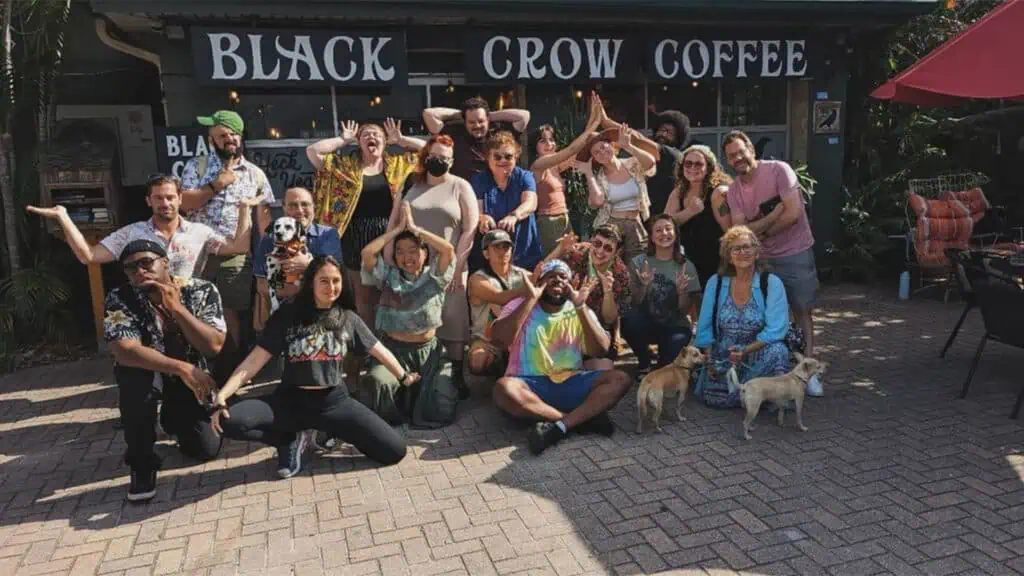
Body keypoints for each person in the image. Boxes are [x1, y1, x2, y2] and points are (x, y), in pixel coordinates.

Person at [210, 255, 409, 478]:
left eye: (336, 280)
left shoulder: (348, 318)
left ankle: (328, 432)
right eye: (324, 280)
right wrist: (223, 395)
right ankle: (289, 439)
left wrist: (404, 376)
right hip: (290, 401)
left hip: (334, 403)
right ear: (311, 282)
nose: (331, 287)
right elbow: (254, 361)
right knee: (230, 422)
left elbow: (377, 349)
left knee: (395, 451)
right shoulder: (288, 315)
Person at [103, 240, 226, 502]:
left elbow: (213, 346)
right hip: (155, 375)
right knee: (133, 376)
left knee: (206, 448)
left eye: (146, 263)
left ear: (165, 263)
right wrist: (181, 368)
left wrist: (177, 309)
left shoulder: (200, 290)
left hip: (193, 381)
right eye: (131, 268)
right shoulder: (120, 298)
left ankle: (172, 418)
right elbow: (124, 349)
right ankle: (142, 463)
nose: (139, 271)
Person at [490, 259, 632, 455]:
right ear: (539, 281)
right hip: (530, 386)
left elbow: (600, 350)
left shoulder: (578, 308)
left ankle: (558, 426)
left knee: (619, 379)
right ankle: (575, 421)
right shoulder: (520, 304)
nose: (557, 280)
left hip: (570, 382)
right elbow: (498, 340)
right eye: (551, 275)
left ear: (570, 284)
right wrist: (530, 299)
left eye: (563, 276)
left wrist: (581, 307)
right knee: (504, 388)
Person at [722, 130, 822, 396]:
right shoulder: (733, 191)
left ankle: (808, 373)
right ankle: (776, 370)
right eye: (731, 156)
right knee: (768, 317)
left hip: (795, 252)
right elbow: (741, 229)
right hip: (761, 259)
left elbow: (793, 213)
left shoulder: (780, 171)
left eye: (740, 152)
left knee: (802, 311)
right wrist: (770, 218)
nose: (738, 158)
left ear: (751, 150)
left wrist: (759, 229)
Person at [306, 118, 423, 328]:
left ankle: (393, 340)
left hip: (390, 235)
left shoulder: (398, 164)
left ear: (385, 142)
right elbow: (313, 151)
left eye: (377, 134)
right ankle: (368, 347)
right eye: (366, 134)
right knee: (364, 299)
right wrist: (342, 140)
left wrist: (402, 139)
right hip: (355, 235)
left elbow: (429, 151)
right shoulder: (346, 165)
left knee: (393, 293)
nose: (371, 137)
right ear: (358, 142)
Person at [385, 135, 479, 396]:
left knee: (452, 320)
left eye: (445, 157)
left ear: (452, 161)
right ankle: (421, 376)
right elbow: (394, 223)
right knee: (418, 321)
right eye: (435, 155)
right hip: (412, 268)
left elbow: (470, 230)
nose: (439, 160)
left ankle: (456, 376)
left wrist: (458, 268)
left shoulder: (461, 187)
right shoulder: (410, 185)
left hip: (448, 265)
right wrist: (388, 255)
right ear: (426, 156)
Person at [180, 110, 276, 354]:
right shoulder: (197, 166)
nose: (226, 140)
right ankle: (204, 361)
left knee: (233, 312)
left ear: (239, 137)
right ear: (212, 140)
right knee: (196, 308)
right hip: (198, 252)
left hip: (236, 254)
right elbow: (183, 204)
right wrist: (216, 184)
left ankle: (232, 362)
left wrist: (265, 258)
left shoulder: (255, 174)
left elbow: (263, 220)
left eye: (230, 134)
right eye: (219, 136)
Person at [357, 202, 460, 429]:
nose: (407, 256)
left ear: (425, 253)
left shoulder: (435, 277)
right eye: (400, 251)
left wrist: (415, 229)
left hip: (429, 353)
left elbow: (448, 251)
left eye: (413, 250)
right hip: (392, 351)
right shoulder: (387, 276)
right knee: (378, 383)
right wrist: (396, 230)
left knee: (443, 407)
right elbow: (367, 253)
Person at [27, 174, 256, 276]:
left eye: (170, 197)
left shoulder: (200, 232)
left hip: (190, 309)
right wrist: (63, 217)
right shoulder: (133, 233)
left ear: (179, 199)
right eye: (158, 198)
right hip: (148, 311)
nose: (164, 203)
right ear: (149, 201)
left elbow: (239, 247)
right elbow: (89, 256)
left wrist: (245, 209)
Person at [693, 226, 791, 409]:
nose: (742, 252)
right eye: (736, 249)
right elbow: (704, 326)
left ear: (756, 252)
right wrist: (710, 359)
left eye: (747, 247)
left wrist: (745, 351)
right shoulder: (716, 282)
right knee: (715, 401)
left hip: (756, 352)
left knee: (778, 351)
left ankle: (759, 393)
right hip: (724, 356)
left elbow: (776, 329)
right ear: (728, 256)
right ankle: (755, 396)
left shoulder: (770, 283)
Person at [539, 225, 632, 370]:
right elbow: (541, 274)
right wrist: (560, 248)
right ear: (591, 240)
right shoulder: (576, 253)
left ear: (616, 252)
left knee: (603, 369)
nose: (600, 251)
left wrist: (608, 291)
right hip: (564, 321)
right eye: (597, 244)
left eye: (608, 248)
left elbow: (609, 319)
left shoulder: (620, 274)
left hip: (596, 329)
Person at [622, 214, 701, 376]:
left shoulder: (687, 266)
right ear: (651, 236)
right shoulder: (638, 262)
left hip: (674, 325)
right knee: (629, 320)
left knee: (668, 361)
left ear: (676, 233)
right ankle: (643, 362)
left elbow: (684, 310)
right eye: (658, 230)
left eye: (668, 229)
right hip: (646, 321)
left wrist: (681, 292)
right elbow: (634, 302)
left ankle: (661, 364)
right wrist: (643, 286)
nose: (664, 234)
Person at [252, 187, 343, 326]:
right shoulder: (270, 239)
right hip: (281, 314)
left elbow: (335, 280)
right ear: (284, 208)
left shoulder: (328, 235)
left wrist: (308, 265)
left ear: (314, 206)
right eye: (293, 205)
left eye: (305, 204)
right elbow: (262, 286)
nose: (299, 211)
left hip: (320, 314)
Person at [528, 92, 603, 253]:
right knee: (554, 264)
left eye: (551, 139)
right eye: (543, 141)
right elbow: (571, 149)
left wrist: (595, 117)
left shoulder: (554, 166)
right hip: (548, 222)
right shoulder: (538, 165)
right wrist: (595, 123)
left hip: (564, 218)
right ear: (534, 146)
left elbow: (580, 149)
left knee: (571, 262)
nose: (549, 144)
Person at [573, 123, 656, 262]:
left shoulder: (632, 164)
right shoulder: (599, 177)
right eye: (596, 152)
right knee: (612, 267)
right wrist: (589, 174)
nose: (602, 153)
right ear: (594, 158)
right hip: (611, 226)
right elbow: (597, 202)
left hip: (636, 223)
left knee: (638, 266)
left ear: (612, 146)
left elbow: (651, 162)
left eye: (603, 147)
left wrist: (628, 146)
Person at [472, 130, 543, 270]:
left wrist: (514, 216)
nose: (503, 160)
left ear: (516, 157)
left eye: (508, 156)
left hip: (525, 252)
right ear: (488, 158)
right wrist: (482, 217)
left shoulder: (525, 177)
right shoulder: (479, 180)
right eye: (497, 157)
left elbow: (531, 202)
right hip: (491, 257)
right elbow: (476, 209)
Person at [664, 144, 732, 289]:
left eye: (699, 164)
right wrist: (689, 212)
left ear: (709, 167)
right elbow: (665, 224)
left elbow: (730, 232)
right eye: (688, 163)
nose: (692, 168)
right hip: (689, 262)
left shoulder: (717, 193)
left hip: (716, 262)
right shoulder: (678, 192)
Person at [467, 229, 529, 378]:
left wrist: (560, 251)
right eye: (496, 247)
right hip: (486, 341)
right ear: (486, 253)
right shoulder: (477, 279)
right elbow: (501, 297)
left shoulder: (520, 274)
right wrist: (529, 289)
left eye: (506, 247)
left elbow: (542, 275)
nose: (502, 251)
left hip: (516, 339)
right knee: (477, 361)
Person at [422, 96, 531, 181]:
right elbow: (429, 114)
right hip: (462, 192)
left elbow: (524, 116)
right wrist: (460, 115)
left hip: (495, 193)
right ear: (464, 122)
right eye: (471, 122)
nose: (477, 125)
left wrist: (490, 115)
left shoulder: (498, 133)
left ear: (488, 120)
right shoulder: (455, 133)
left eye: (480, 121)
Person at [643, 109, 692, 217]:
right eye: (662, 130)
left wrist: (606, 121)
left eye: (670, 133)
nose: (663, 134)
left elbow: (636, 139)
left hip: (664, 218)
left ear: (678, 138)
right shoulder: (646, 155)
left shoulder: (673, 154)